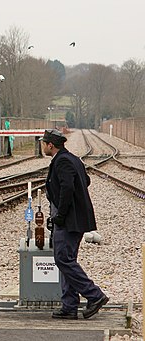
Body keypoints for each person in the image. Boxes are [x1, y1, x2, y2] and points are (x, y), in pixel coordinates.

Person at [42, 128, 109, 320]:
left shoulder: (62, 161)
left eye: (44, 143)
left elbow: (68, 187)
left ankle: (94, 295)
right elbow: (85, 181)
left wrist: (61, 215)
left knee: (63, 259)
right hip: (74, 219)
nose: (42, 146)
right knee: (67, 260)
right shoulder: (72, 159)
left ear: (50, 145)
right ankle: (69, 305)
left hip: (69, 221)